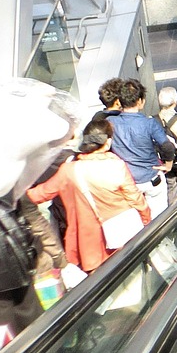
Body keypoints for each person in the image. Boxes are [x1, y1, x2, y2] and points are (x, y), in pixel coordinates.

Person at [27, 117, 151, 274]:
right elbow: (137, 200)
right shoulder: (116, 166)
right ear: (107, 143)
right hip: (122, 240)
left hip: (87, 248)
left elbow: (36, 196)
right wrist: (147, 223)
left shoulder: (68, 171)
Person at [107, 79, 175, 218]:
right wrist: (168, 165)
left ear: (119, 101)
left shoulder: (110, 123)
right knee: (159, 217)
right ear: (140, 101)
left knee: (136, 218)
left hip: (128, 182)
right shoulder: (149, 123)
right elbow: (167, 146)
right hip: (151, 177)